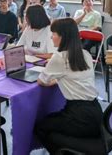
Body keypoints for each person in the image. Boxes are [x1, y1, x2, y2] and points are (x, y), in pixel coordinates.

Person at [35, 18, 102, 154]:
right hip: (96, 114)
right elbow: (73, 77)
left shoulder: (59, 57)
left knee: (40, 128)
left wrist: (53, 76)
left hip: (79, 117)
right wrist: (58, 79)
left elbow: (41, 81)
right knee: (51, 123)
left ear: (62, 37)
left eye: (53, 33)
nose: (51, 36)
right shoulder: (85, 54)